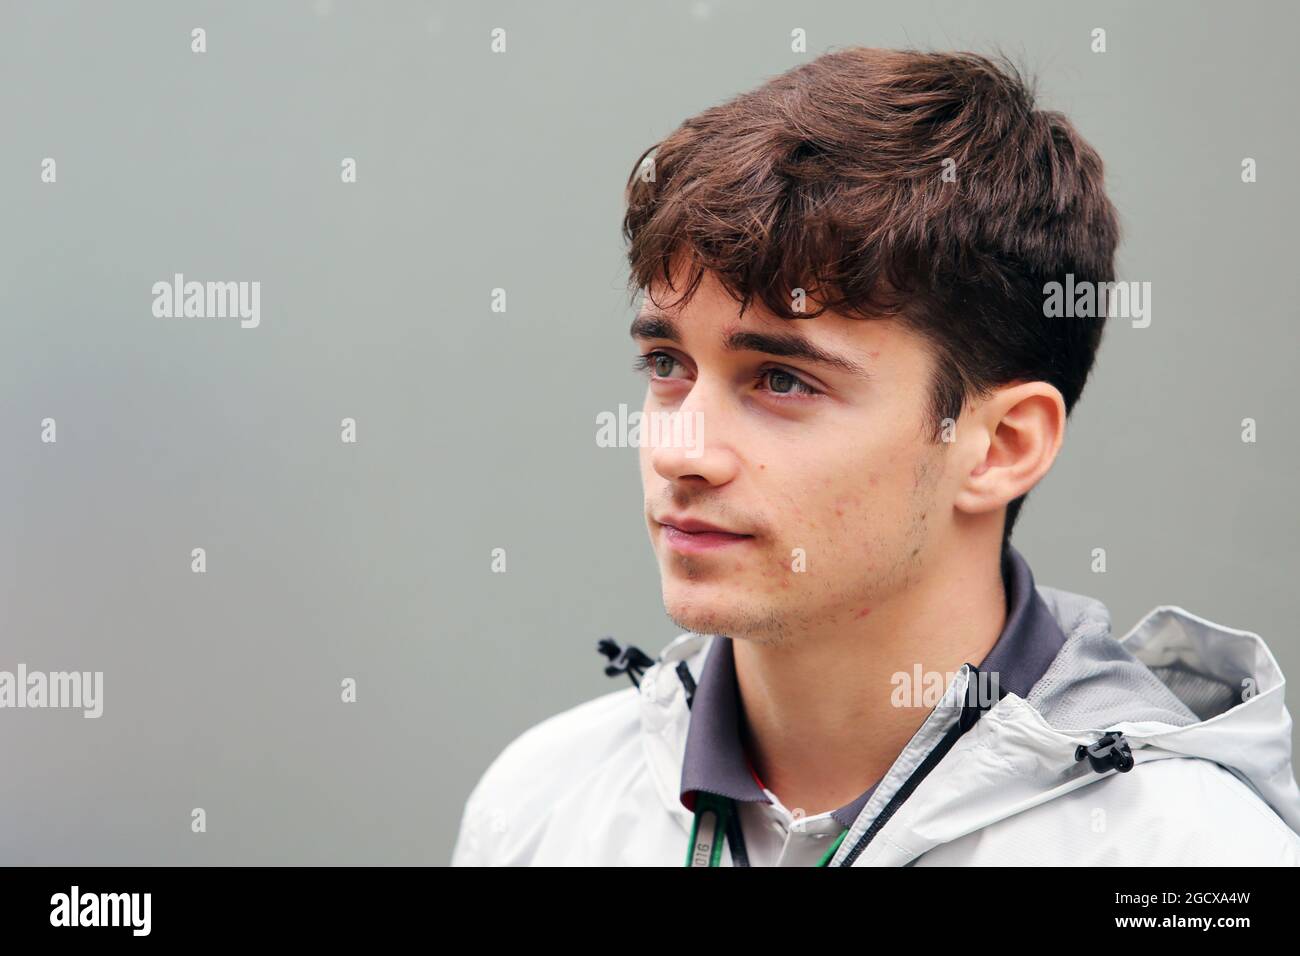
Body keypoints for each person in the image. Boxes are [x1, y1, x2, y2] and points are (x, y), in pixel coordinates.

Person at [450, 47, 1300, 866]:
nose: (682, 453)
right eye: (668, 366)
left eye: (782, 380)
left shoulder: (1191, 861)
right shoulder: (538, 809)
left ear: (1001, 446)